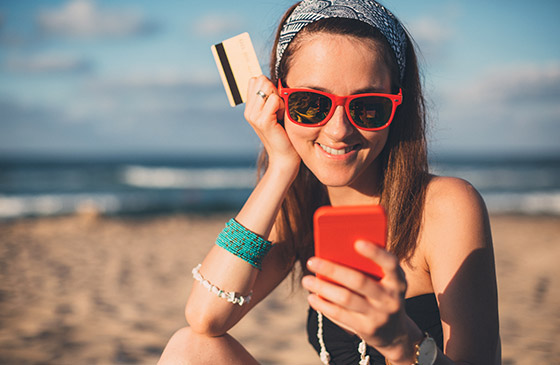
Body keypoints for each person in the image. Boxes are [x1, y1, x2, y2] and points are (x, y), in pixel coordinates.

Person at [158, 0, 500, 364]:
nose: (338, 130)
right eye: (310, 103)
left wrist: (403, 344)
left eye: (368, 106)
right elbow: (205, 317)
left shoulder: (444, 206)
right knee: (191, 347)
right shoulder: (300, 205)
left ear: (396, 106)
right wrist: (281, 167)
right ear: (279, 100)